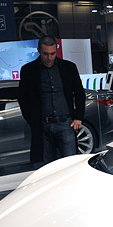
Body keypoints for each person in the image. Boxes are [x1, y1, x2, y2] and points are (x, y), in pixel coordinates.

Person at [18, 35, 85, 164]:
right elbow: (23, 98)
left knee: (70, 165)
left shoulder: (69, 67)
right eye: (45, 54)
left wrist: (78, 117)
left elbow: (79, 93)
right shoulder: (28, 70)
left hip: (65, 123)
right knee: (46, 167)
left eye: (52, 53)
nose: (49, 58)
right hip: (42, 125)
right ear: (38, 50)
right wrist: (32, 121)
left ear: (57, 50)